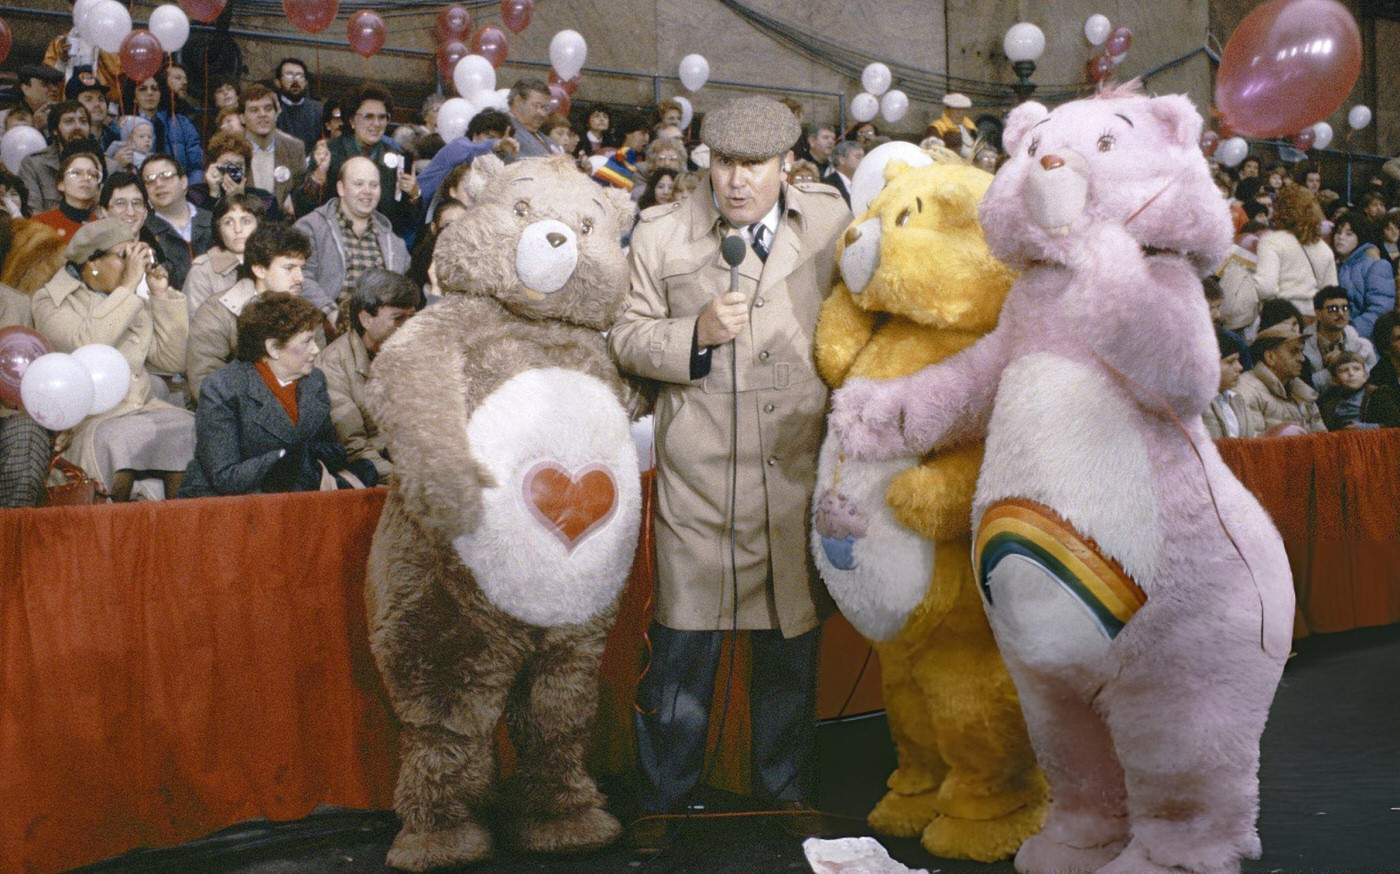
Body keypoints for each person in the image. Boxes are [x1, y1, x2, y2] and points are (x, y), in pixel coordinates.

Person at [607, 95, 849, 847]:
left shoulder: (831, 222)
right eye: (724, 163)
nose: (737, 180)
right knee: (682, 653)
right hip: (701, 480)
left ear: (788, 164)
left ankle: (783, 794)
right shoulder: (660, 233)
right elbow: (625, 336)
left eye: (755, 164)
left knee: (789, 650)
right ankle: (661, 803)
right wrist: (695, 334)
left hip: (794, 475)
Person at [30, 218, 194, 500]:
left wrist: (161, 296)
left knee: (187, 428)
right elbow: (86, 345)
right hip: (89, 421)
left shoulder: (129, 299)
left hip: (141, 406)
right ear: (93, 263)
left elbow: (171, 361)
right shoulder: (51, 300)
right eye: (123, 255)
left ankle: (183, 522)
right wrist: (128, 286)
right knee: (119, 441)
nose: (134, 265)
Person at [179, 292, 372, 497]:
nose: (316, 350)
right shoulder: (222, 388)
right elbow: (225, 477)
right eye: (307, 341)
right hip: (226, 502)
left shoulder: (314, 381)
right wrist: (283, 458)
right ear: (273, 348)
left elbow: (330, 448)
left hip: (294, 497)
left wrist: (312, 457)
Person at [186, 221, 315, 401]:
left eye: (302, 268)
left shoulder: (306, 312)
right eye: (289, 268)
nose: (300, 278)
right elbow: (205, 382)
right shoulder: (217, 311)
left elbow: (316, 377)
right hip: (236, 410)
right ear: (259, 269)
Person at [319, 268, 418, 482]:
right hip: (372, 476)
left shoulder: (415, 355)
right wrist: (410, 483)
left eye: (411, 317)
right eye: (398, 318)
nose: (408, 327)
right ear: (366, 319)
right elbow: (354, 448)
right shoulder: (333, 366)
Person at [294, 157, 411, 321]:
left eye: (374, 185)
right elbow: (301, 277)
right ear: (341, 188)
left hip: (379, 328)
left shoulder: (395, 243)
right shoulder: (311, 227)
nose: (367, 191)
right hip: (323, 323)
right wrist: (331, 313)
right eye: (358, 184)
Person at [318, 85, 419, 238]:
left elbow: (405, 220)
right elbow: (306, 205)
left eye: (382, 117)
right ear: (351, 119)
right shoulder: (330, 152)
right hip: (334, 237)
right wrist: (318, 177)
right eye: (368, 116)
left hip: (380, 241)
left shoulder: (398, 157)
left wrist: (414, 195)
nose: (376, 124)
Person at [1252, 185, 1335, 319]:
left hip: (1280, 318)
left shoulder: (1271, 241)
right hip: (1314, 319)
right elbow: (1331, 294)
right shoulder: (1324, 249)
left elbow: (1266, 288)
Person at [1234, 319, 1326, 437]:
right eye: (1294, 352)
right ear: (1270, 357)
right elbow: (1253, 444)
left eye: (1301, 351)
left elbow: (1323, 439)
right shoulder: (1247, 391)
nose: (1302, 359)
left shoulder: (1303, 393)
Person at [184, 192, 264, 317]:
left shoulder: (273, 262)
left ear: (259, 226)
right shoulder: (202, 272)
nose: (238, 229)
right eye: (228, 222)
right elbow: (196, 322)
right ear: (219, 229)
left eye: (246, 221)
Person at [141, 153, 214, 291]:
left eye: (166, 176)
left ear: (184, 181)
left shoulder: (214, 221)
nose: (158, 184)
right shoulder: (143, 232)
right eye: (150, 180)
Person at [19, 100, 104, 215]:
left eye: (83, 121)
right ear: (54, 130)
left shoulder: (106, 164)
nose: (77, 127)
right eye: (69, 121)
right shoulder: (34, 164)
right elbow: (33, 213)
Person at [417, 108, 517, 205]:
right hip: (418, 203)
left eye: (500, 141)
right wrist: (497, 144)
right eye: (490, 138)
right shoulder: (459, 145)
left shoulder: (492, 164)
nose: (496, 148)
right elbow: (472, 150)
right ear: (475, 135)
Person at [239, 84, 307, 218]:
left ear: (276, 113)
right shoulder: (232, 149)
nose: (262, 114)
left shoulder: (294, 148)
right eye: (254, 110)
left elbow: (301, 195)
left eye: (268, 109)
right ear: (242, 118)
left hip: (281, 224)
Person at [123, 74, 204, 186]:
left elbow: (196, 165)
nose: (150, 93)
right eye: (143, 89)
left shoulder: (181, 123)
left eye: (155, 89)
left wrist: (190, 189)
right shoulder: (124, 125)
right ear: (134, 96)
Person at [190, 131, 282, 221]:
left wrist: (239, 200)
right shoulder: (195, 195)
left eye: (238, 165)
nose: (233, 170)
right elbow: (201, 228)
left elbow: (264, 229)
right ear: (213, 166)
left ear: (246, 170)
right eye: (227, 165)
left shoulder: (265, 200)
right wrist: (214, 196)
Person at [1331, 212, 1394, 340]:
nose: (1341, 238)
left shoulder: (1376, 265)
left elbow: (1380, 309)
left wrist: (1350, 331)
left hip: (1363, 340)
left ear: (1360, 236)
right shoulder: (1332, 265)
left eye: (1349, 234)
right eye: (1338, 232)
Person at [1304, 285, 1377, 392]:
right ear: (1318, 314)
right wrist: (1333, 370)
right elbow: (1304, 385)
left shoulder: (1362, 346)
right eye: (1333, 309)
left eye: (1345, 308)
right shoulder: (1302, 347)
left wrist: (1345, 359)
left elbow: (1373, 379)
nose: (1341, 313)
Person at [1319, 351, 1400, 430]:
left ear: (1365, 375)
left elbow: (1395, 423)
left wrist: (1363, 427)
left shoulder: (1377, 394)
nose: (1351, 373)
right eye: (1344, 370)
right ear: (1335, 379)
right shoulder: (1329, 398)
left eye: (1356, 369)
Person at [32, 151, 104, 239]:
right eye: (76, 173)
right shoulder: (40, 224)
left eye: (92, 174)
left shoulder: (102, 228)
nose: (86, 178)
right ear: (61, 184)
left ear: (98, 188)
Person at [1203, 326, 1247, 440]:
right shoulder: (1199, 405)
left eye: (1238, 360)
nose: (1240, 367)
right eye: (1230, 362)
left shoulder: (1237, 399)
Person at [273, 58, 324, 152]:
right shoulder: (272, 109)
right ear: (278, 82)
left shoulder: (318, 109)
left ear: (306, 82)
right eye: (289, 75)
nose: (295, 80)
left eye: (300, 75)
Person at [506, 78, 556, 158]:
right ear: (518, 101)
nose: (542, 114)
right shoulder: (503, 131)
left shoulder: (545, 139)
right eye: (537, 106)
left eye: (546, 108)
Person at [822, 140, 864, 208]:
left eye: (863, 157)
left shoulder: (863, 182)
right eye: (858, 157)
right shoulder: (828, 184)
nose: (863, 160)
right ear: (842, 160)